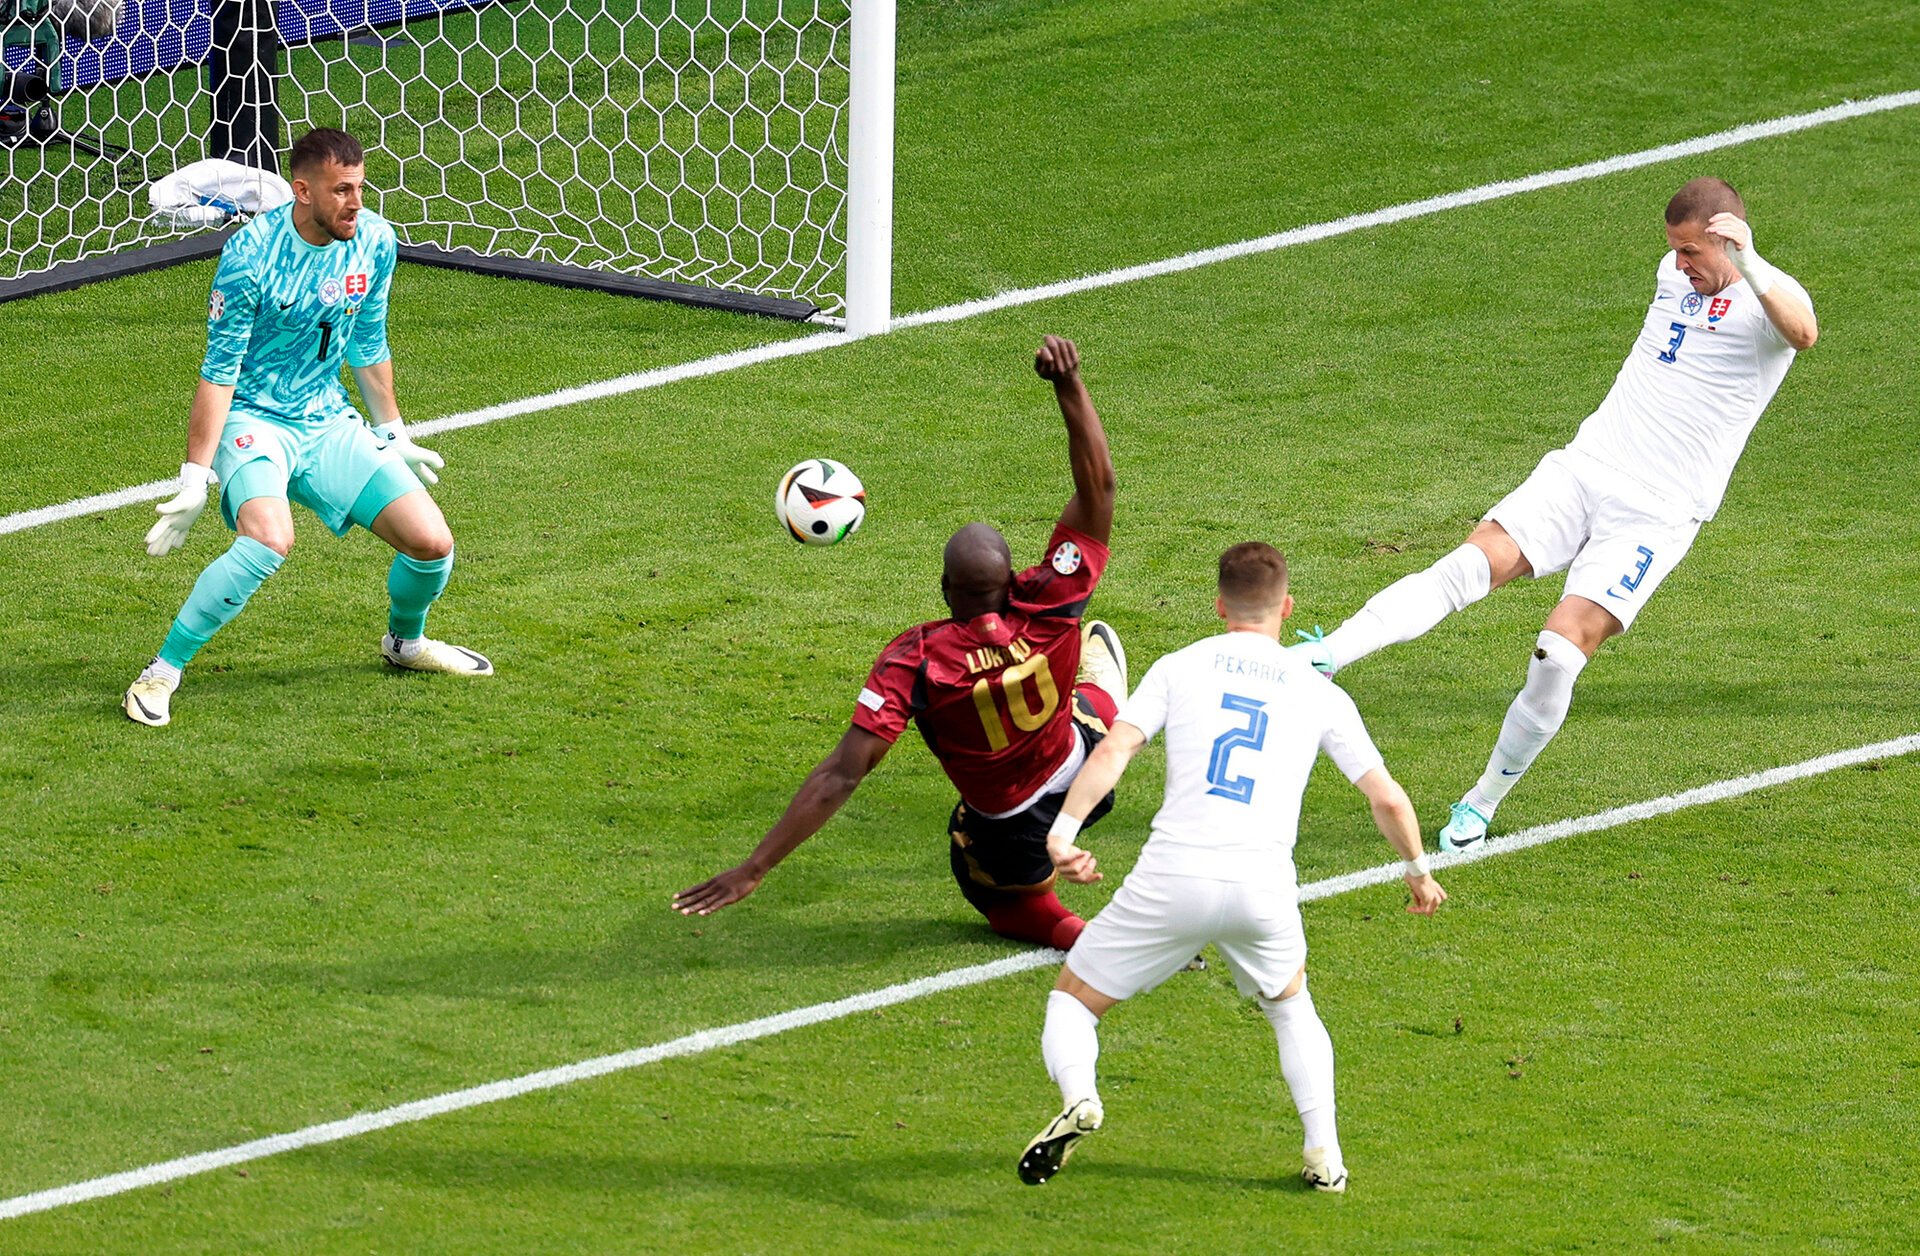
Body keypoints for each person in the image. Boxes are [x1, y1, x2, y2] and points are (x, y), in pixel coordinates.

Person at [1290, 177, 1817, 851]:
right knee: (1467, 566)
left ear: (1728, 242)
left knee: (1557, 654)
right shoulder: (1672, 276)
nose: (1679, 263)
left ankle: (1480, 803)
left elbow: (1803, 333)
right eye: (1675, 250)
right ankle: (1326, 655)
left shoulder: (1769, 300)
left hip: (1656, 512)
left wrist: (1749, 263)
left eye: (1691, 251)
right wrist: (1700, 262)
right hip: (1585, 467)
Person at [1017, 541, 1445, 1192]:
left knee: (1073, 1002)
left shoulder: (1180, 666)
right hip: (1262, 888)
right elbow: (1386, 797)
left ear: (1220, 605)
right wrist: (1417, 869)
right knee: (1291, 1007)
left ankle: (1081, 1097)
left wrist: (1063, 835)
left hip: (1172, 877)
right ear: (1287, 607)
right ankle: (1326, 1157)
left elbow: (1113, 751)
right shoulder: (1319, 692)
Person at [674, 336, 1124, 950]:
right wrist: (1067, 383)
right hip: (1089, 773)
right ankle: (1120, 706)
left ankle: (1095, 939)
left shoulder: (915, 661)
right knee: (1092, 674)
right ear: (1012, 578)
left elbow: (841, 776)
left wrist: (754, 868)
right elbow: (1100, 488)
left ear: (944, 588)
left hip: (1013, 824)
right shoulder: (1048, 599)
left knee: (995, 893)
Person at [123, 127, 492, 728]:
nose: (356, 203)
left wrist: (393, 431)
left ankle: (406, 643)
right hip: (253, 418)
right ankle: (162, 671)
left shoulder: (374, 240)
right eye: (341, 190)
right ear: (302, 191)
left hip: (326, 420)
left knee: (432, 544)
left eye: (360, 188)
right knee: (269, 540)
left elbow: (368, 342)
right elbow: (219, 372)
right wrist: (194, 476)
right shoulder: (250, 256)